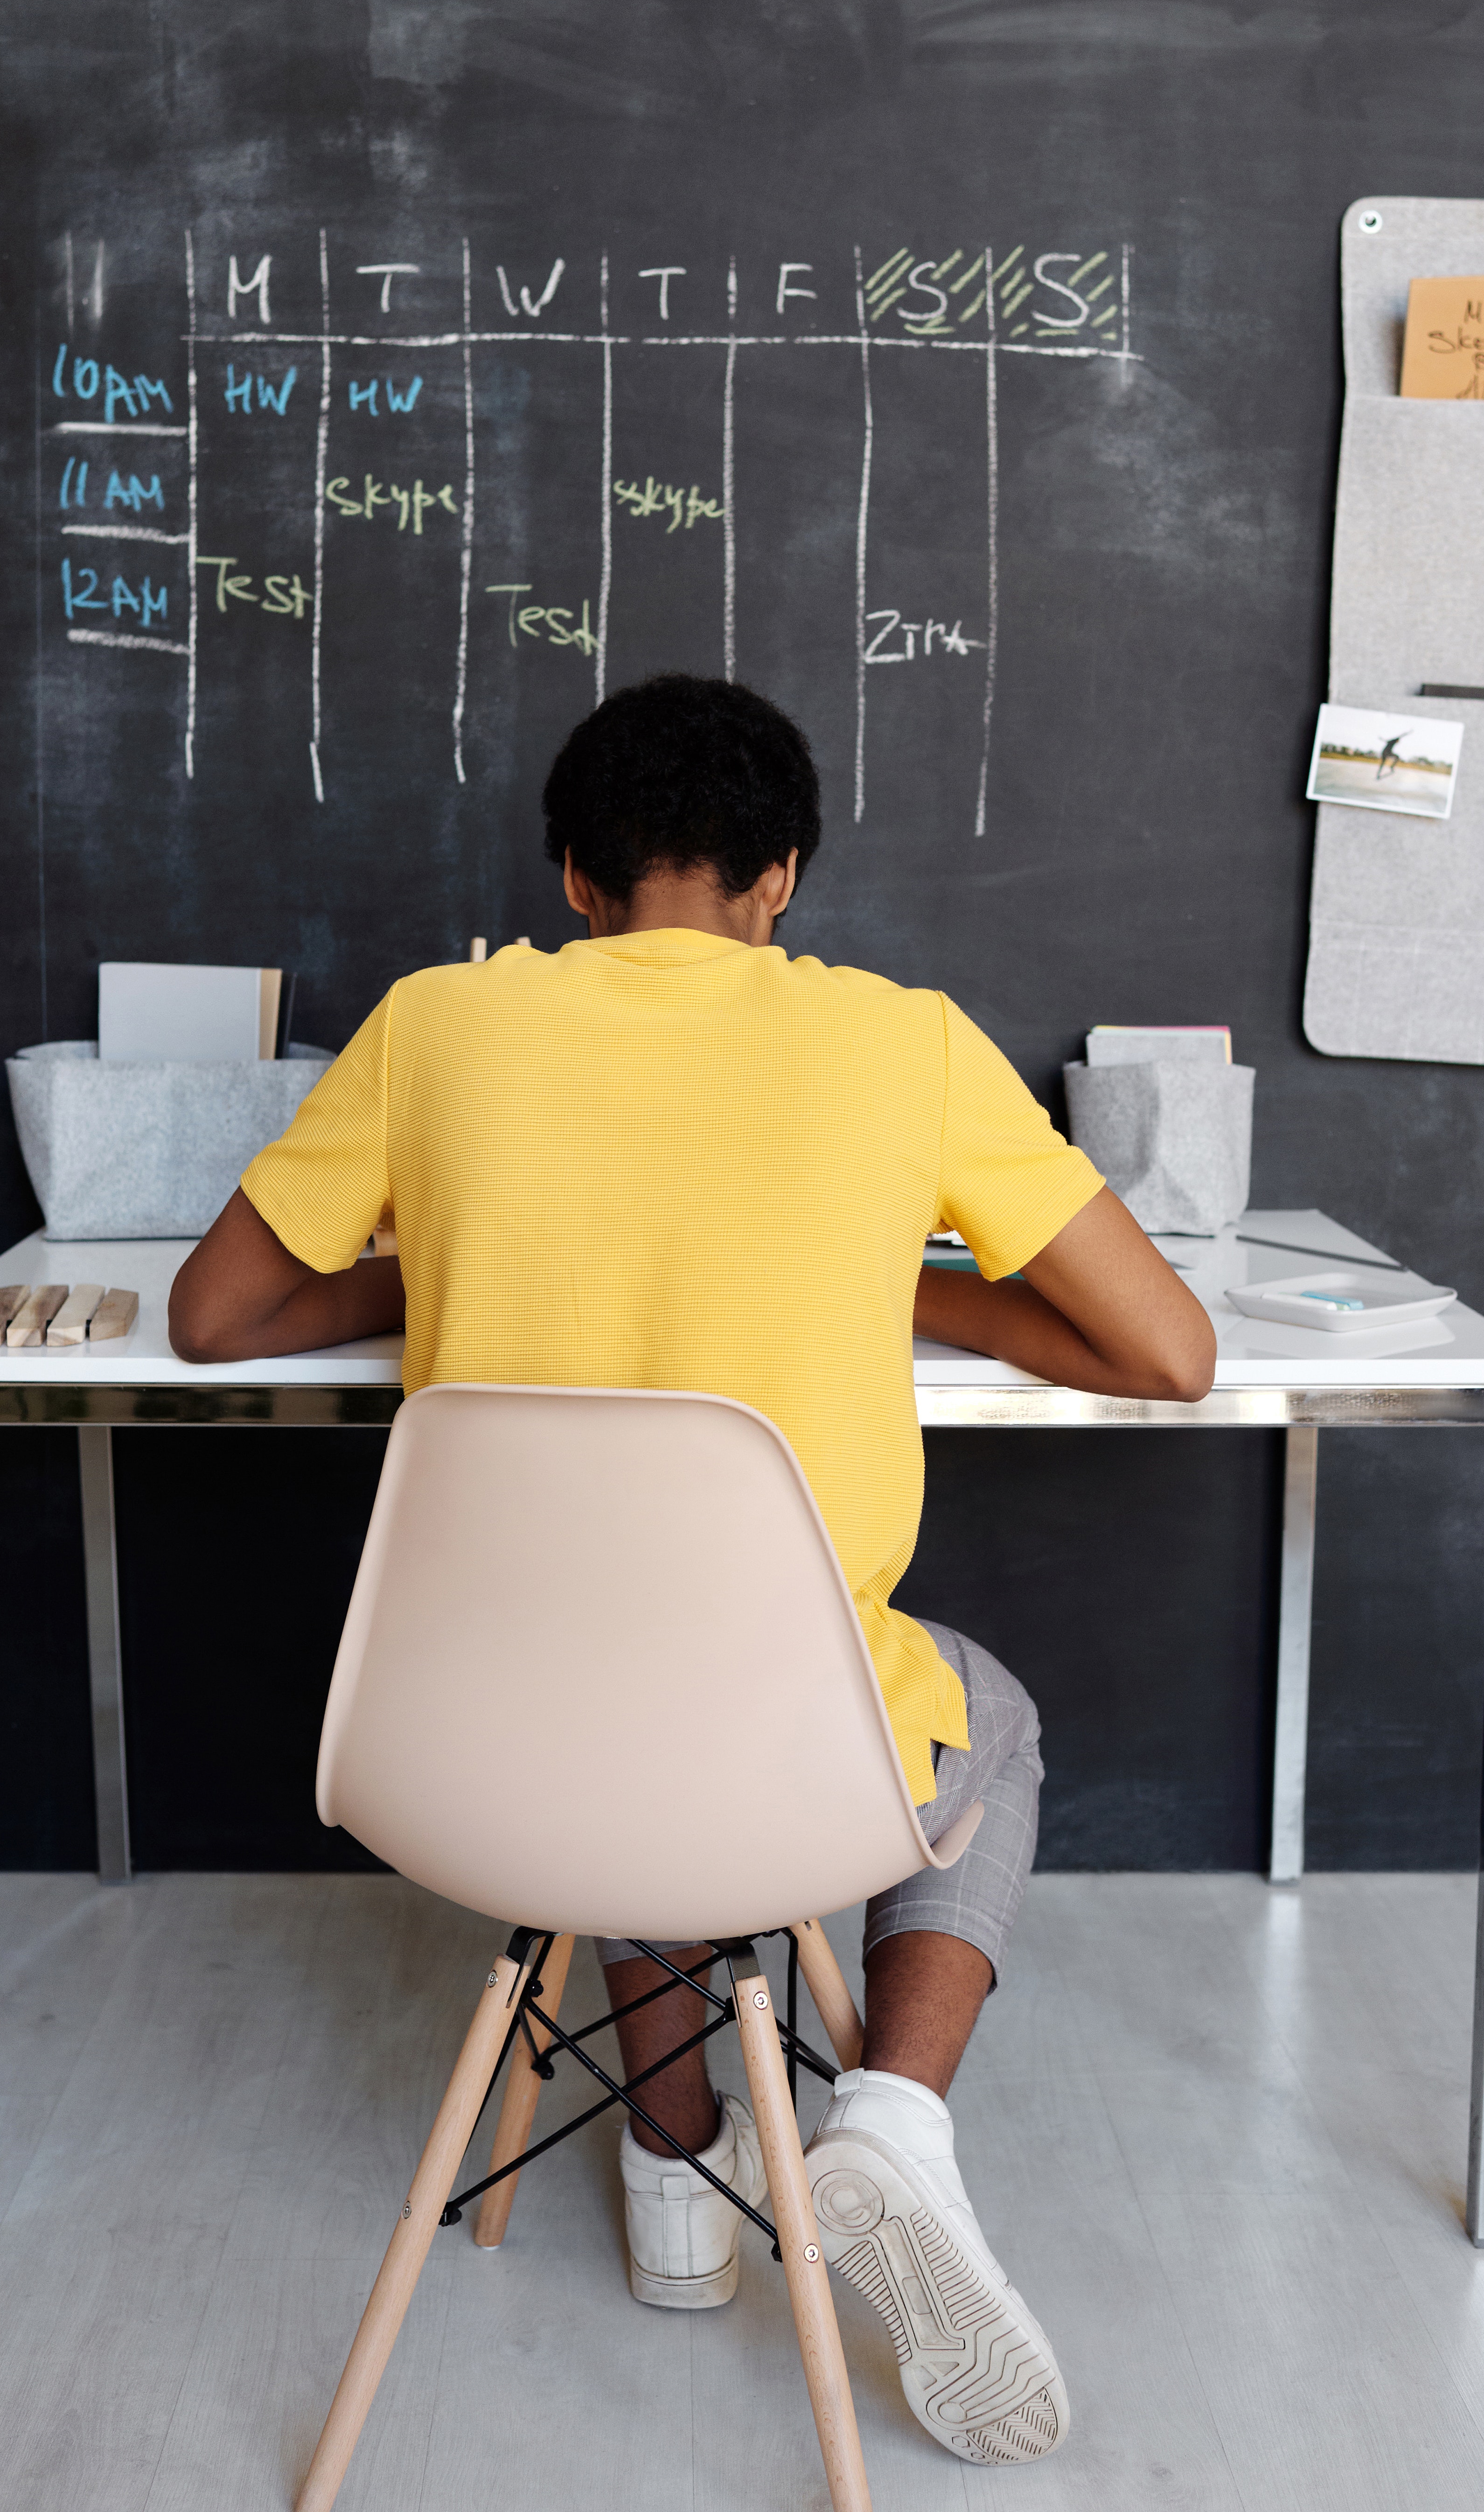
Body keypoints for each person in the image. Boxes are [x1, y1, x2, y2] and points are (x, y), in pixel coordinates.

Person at [170, 672, 1214, 2467]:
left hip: (478, 1753)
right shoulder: (904, 1042)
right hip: (783, 1751)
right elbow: (1168, 1353)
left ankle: (673, 2162)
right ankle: (886, 2114)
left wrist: (467, 1247)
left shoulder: (435, 1026)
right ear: (782, 877)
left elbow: (218, 1315)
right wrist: (897, 1262)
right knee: (982, 1713)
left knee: (629, 1684)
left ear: (572, 880)